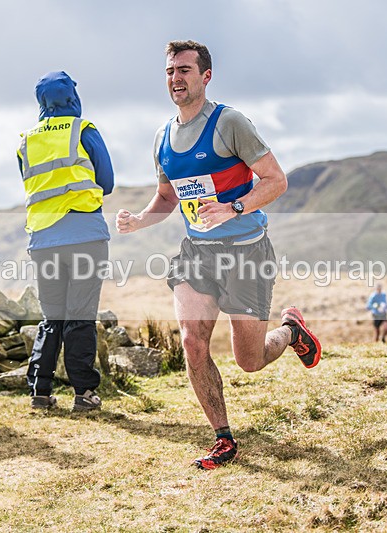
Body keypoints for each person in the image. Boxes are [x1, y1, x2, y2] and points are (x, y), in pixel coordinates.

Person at [116, 40, 322, 469]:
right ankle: (223, 438)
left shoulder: (229, 123)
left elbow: (276, 180)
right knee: (193, 341)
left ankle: (291, 331)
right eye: (170, 70)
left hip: (247, 252)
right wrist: (138, 220)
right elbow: (167, 199)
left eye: (185, 70)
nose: (176, 78)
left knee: (249, 360)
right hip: (197, 254)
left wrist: (233, 208)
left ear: (205, 77)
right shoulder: (162, 138)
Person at [18, 71, 114, 412]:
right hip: (85, 236)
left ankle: (40, 393)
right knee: (80, 316)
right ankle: (84, 394)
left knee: (52, 317)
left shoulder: (25, 141)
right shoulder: (83, 131)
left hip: (43, 240)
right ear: (72, 96)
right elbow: (107, 180)